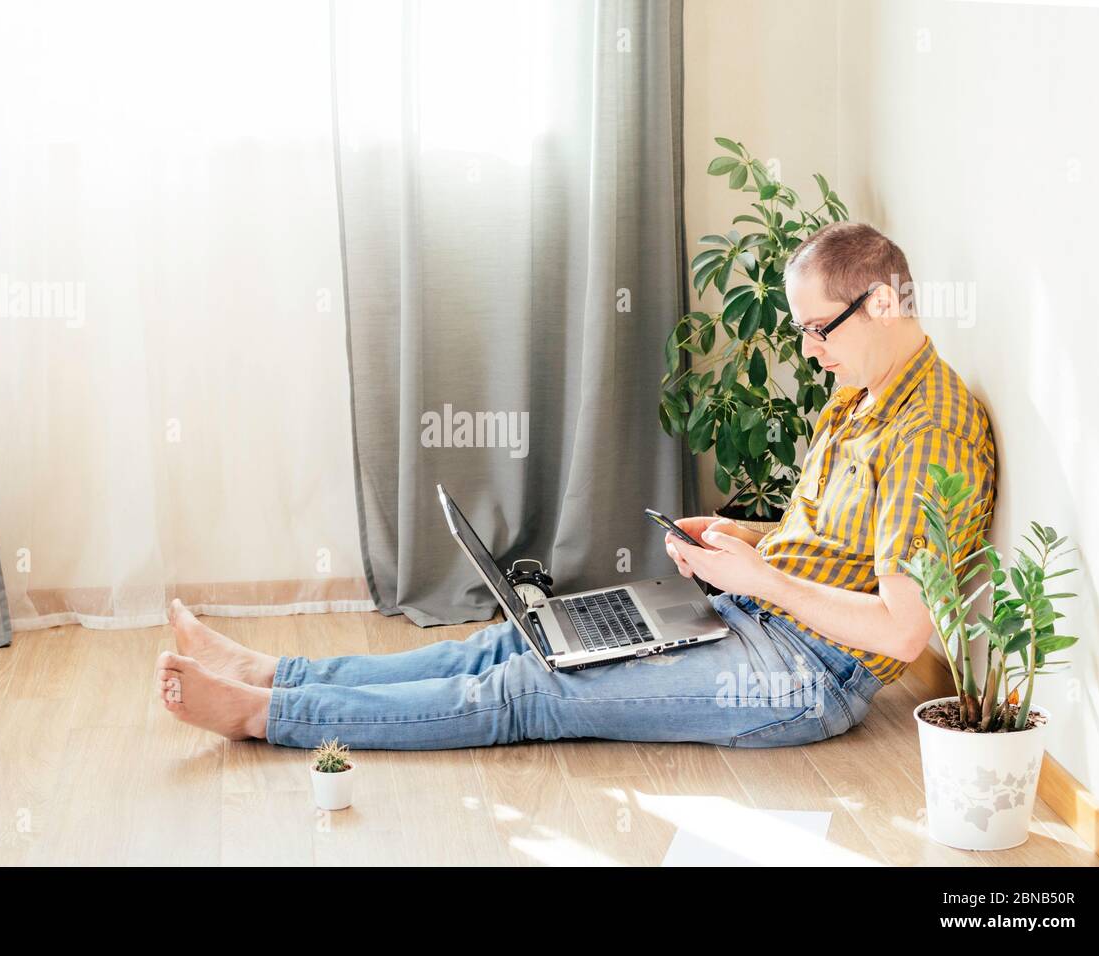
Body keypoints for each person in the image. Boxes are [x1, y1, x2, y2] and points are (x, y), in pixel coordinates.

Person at [154, 222, 996, 750]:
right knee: (522, 638)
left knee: (532, 691)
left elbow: (902, 634)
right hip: (755, 610)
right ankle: (278, 674)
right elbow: (840, 543)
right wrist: (749, 540)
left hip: (802, 676)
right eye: (804, 331)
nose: (810, 352)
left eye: (820, 330)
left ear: (882, 301)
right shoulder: (866, 391)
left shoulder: (931, 435)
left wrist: (762, 579)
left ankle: (267, 718)